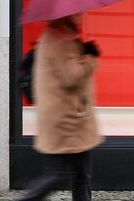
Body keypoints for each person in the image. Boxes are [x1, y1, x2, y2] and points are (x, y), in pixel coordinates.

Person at [17, 14, 102, 201]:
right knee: (57, 176)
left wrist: (81, 50)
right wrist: (90, 58)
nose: (82, 15)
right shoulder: (59, 39)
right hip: (66, 121)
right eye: (78, 12)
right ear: (67, 15)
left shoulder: (61, 36)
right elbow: (72, 77)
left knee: (81, 175)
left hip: (72, 119)